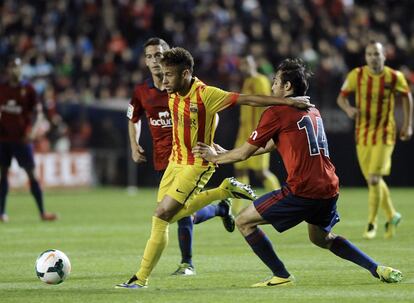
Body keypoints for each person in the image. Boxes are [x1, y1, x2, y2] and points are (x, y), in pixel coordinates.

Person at [193, 58, 403, 287]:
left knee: (244, 221)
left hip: (303, 189)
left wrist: (216, 157)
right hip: (329, 187)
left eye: (275, 82)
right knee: (322, 239)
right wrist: (231, 152)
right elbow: (274, 144)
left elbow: (243, 155)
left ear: (287, 87)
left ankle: (281, 275)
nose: (272, 86)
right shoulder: (312, 110)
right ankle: (377, 268)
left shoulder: (277, 112)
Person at [116, 47, 312, 289]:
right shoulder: (173, 89)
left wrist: (287, 101)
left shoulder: (206, 93)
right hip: (174, 162)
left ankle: (140, 278)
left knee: (161, 216)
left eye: (168, 75)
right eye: (163, 74)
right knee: (167, 217)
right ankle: (223, 194)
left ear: (185, 73)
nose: (163, 80)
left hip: (196, 164)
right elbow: (205, 116)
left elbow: (246, 99)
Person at [127, 38, 235, 276]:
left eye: (159, 55)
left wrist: (208, 137)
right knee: (179, 213)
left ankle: (187, 263)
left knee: (173, 214)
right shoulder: (142, 92)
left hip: (188, 156)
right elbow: (133, 118)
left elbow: (211, 111)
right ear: (145, 61)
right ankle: (220, 208)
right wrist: (134, 145)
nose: (155, 60)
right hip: (163, 159)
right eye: (150, 56)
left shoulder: (183, 85)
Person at [337, 41, 413, 239]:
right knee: (373, 181)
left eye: (377, 54)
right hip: (362, 134)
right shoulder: (357, 75)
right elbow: (341, 98)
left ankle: (372, 223)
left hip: (385, 133)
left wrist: (408, 124)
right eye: (370, 54)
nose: (373, 57)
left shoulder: (394, 76)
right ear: (366, 56)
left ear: (384, 56)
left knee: (373, 179)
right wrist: (348, 109)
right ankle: (392, 214)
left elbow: (407, 97)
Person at [0, 57, 57, 223]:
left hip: (22, 139)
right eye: (11, 67)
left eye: (17, 67)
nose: (14, 70)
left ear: (21, 69)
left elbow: (38, 114)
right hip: (3, 138)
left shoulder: (28, 89)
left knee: (31, 174)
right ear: (8, 70)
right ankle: (2, 213)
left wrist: (33, 132)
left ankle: (42, 212)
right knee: (3, 173)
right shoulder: (2, 88)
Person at [232, 54, 281, 214]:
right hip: (243, 133)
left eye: (247, 64)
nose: (244, 67)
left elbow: (266, 101)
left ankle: (279, 199)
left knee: (261, 172)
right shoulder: (246, 82)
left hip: (258, 133)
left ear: (254, 65)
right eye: (242, 64)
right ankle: (237, 207)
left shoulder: (260, 80)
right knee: (240, 169)